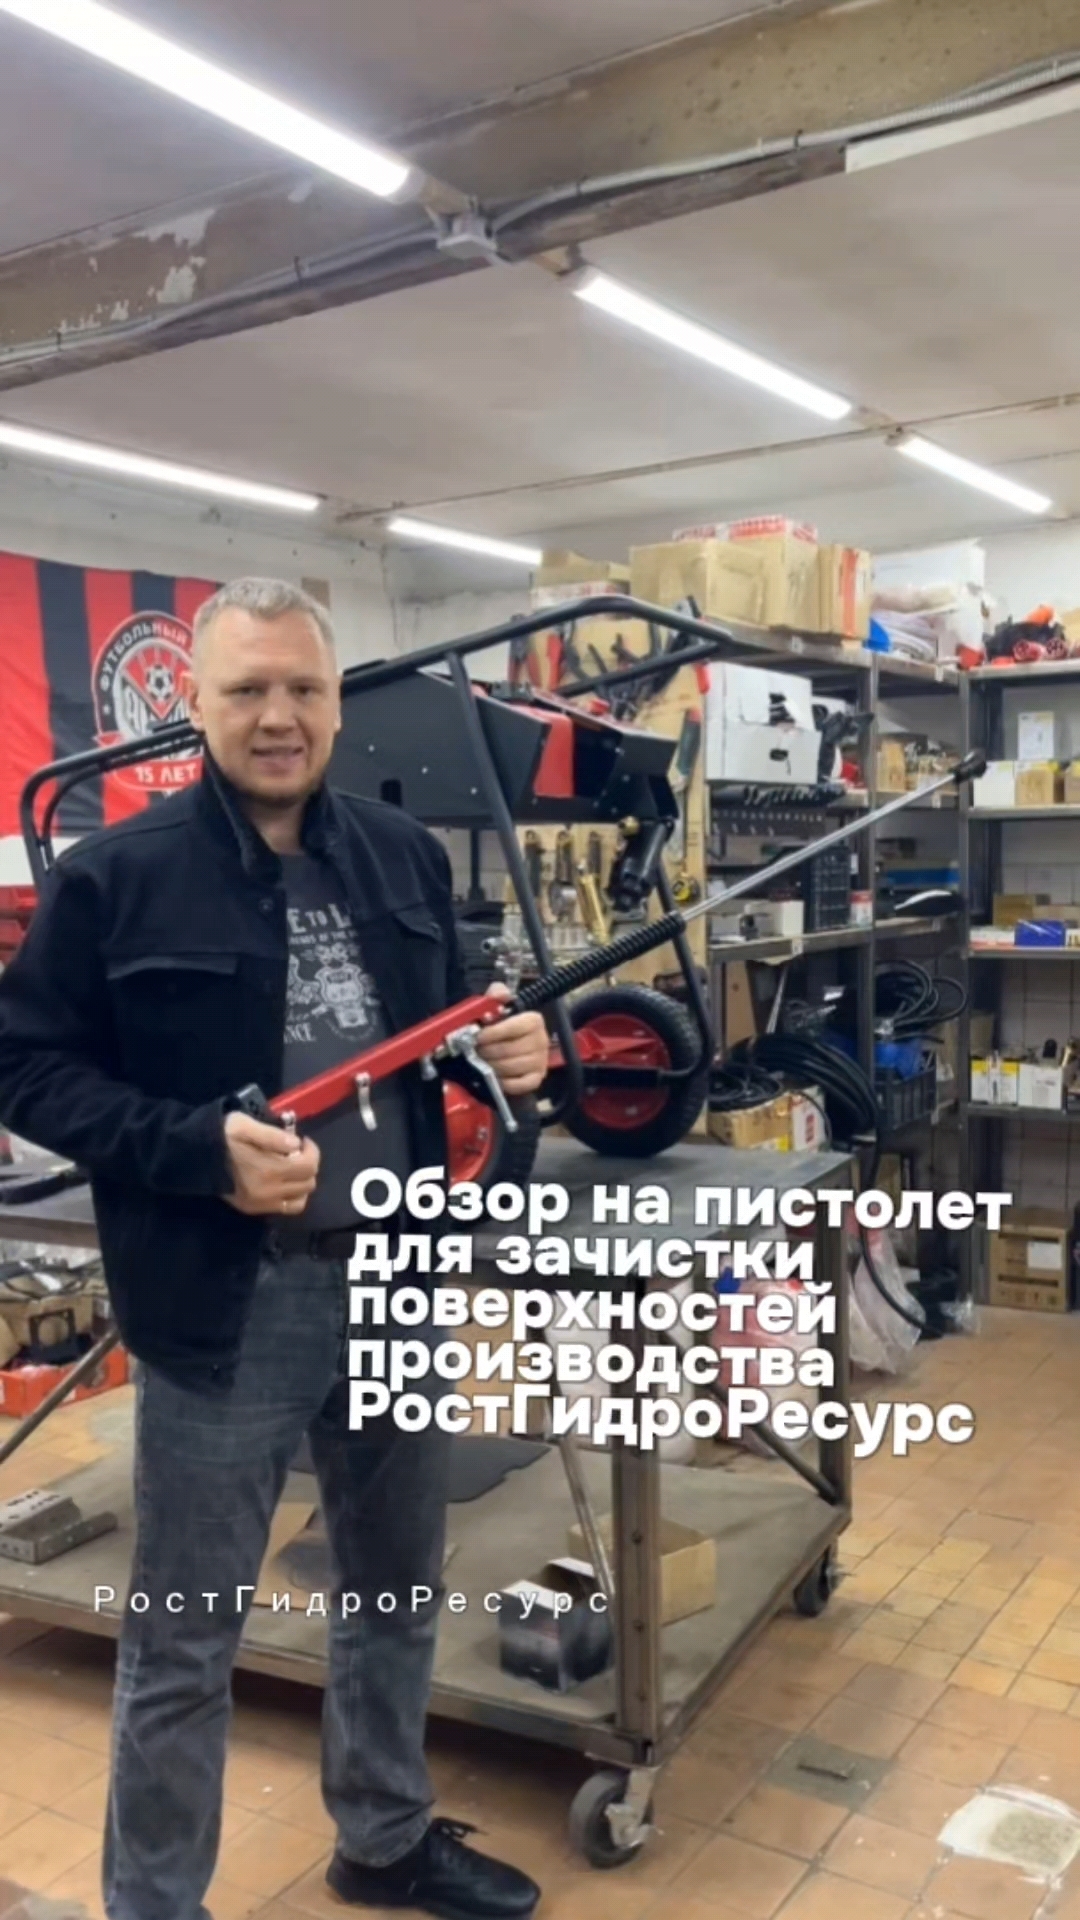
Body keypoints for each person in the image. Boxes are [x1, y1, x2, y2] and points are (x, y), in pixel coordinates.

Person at [0, 579, 550, 1920]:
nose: (279, 716)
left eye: (303, 688)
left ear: (337, 702)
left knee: (396, 1588)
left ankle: (384, 1839)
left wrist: (508, 1052)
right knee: (185, 1633)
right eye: (247, 690)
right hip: (226, 1307)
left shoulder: (402, 857)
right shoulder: (117, 876)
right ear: (193, 705)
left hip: (397, 1280)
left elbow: (446, 1033)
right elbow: (25, 1066)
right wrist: (198, 1149)